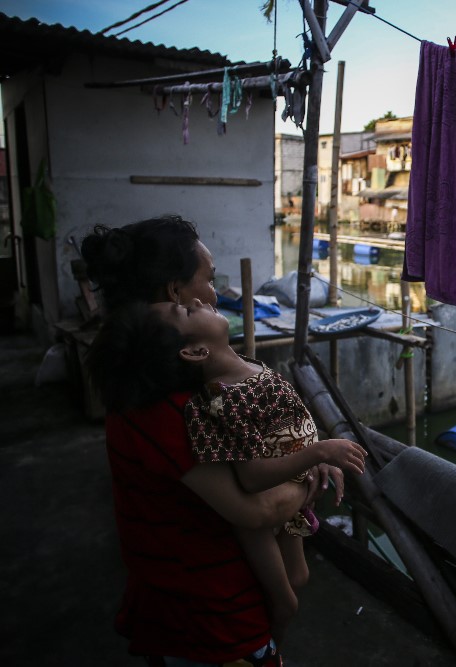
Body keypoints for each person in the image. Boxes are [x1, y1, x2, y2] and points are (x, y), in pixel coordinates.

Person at [80, 215, 360, 666]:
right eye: (208, 281)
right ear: (176, 294)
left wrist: (299, 453)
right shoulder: (172, 405)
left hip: (184, 607)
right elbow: (258, 508)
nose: (214, 294)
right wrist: (311, 466)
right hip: (213, 620)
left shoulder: (176, 381)